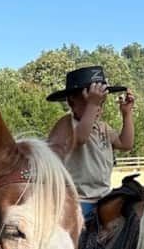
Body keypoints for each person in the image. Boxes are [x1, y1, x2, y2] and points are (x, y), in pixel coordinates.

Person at [46, 65, 135, 217]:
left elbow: (125, 144)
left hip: (104, 196)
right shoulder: (66, 124)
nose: (97, 108)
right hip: (76, 200)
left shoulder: (102, 128)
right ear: (71, 102)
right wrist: (92, 105)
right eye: (89, 102)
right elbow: (80, 138)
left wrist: (126, 114)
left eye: (101, 102)